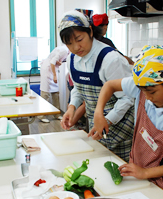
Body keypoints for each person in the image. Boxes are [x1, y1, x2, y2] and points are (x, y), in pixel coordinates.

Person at [89, 44, 163, 197]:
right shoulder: (143, 85)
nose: (147, 97)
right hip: (136, 166)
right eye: (143, 92)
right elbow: (109, 85)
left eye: (152, 92)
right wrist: (98, 114)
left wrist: (146, 172)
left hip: (160, 175)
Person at [58, 10, 135, 162]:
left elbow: (127, 98)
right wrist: (72, 107)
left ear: (90, 31)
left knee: (122, 176)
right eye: (69, 43)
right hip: (97, 129)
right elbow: (79, 89)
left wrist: (108, 120)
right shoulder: (73, 60)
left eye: (79, 39)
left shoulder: (110, 59)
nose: (75, 47)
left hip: (123, 129)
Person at [39, 45, 70, 123]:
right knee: (45, 93)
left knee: (56, 93)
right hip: (48, 70)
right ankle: (41, 115)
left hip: (52, 69)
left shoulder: (65, 50)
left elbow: (54, 60)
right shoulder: (64, 50)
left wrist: (58, 63)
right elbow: (52, 62)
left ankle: (56, 114)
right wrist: (55, 76)